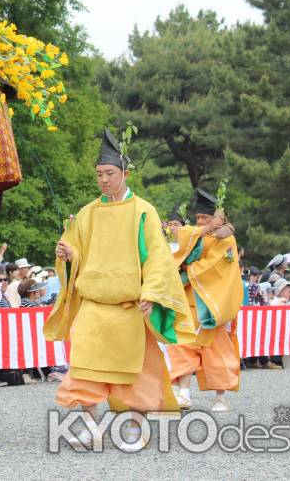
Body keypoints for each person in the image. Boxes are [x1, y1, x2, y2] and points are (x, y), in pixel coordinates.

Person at [45, 128, 193, 452]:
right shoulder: (88, 212)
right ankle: (91, 429)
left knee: (137, 373)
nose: (104, 180)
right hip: (94, 306)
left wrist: (152, 294)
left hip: (129, 306)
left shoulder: (143, 211)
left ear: (125, 173)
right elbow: (78, 251)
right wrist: (69, 256)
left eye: (110, 173)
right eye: (99, 174)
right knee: (84, 370)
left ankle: (136, 427)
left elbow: (157, 257)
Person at [167, 188, 243, 412]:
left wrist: (188, 269)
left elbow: (217, 265)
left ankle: (220, 398)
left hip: (212, 302)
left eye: (205, 218)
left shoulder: (226, 239)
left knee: (216, 352)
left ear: (218, 218)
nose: (200, 221)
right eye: (198, 217)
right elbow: (180, 237)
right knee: (181, 346)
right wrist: (204, 229)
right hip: (189, 299)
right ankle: (183, 393)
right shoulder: (195, 233)